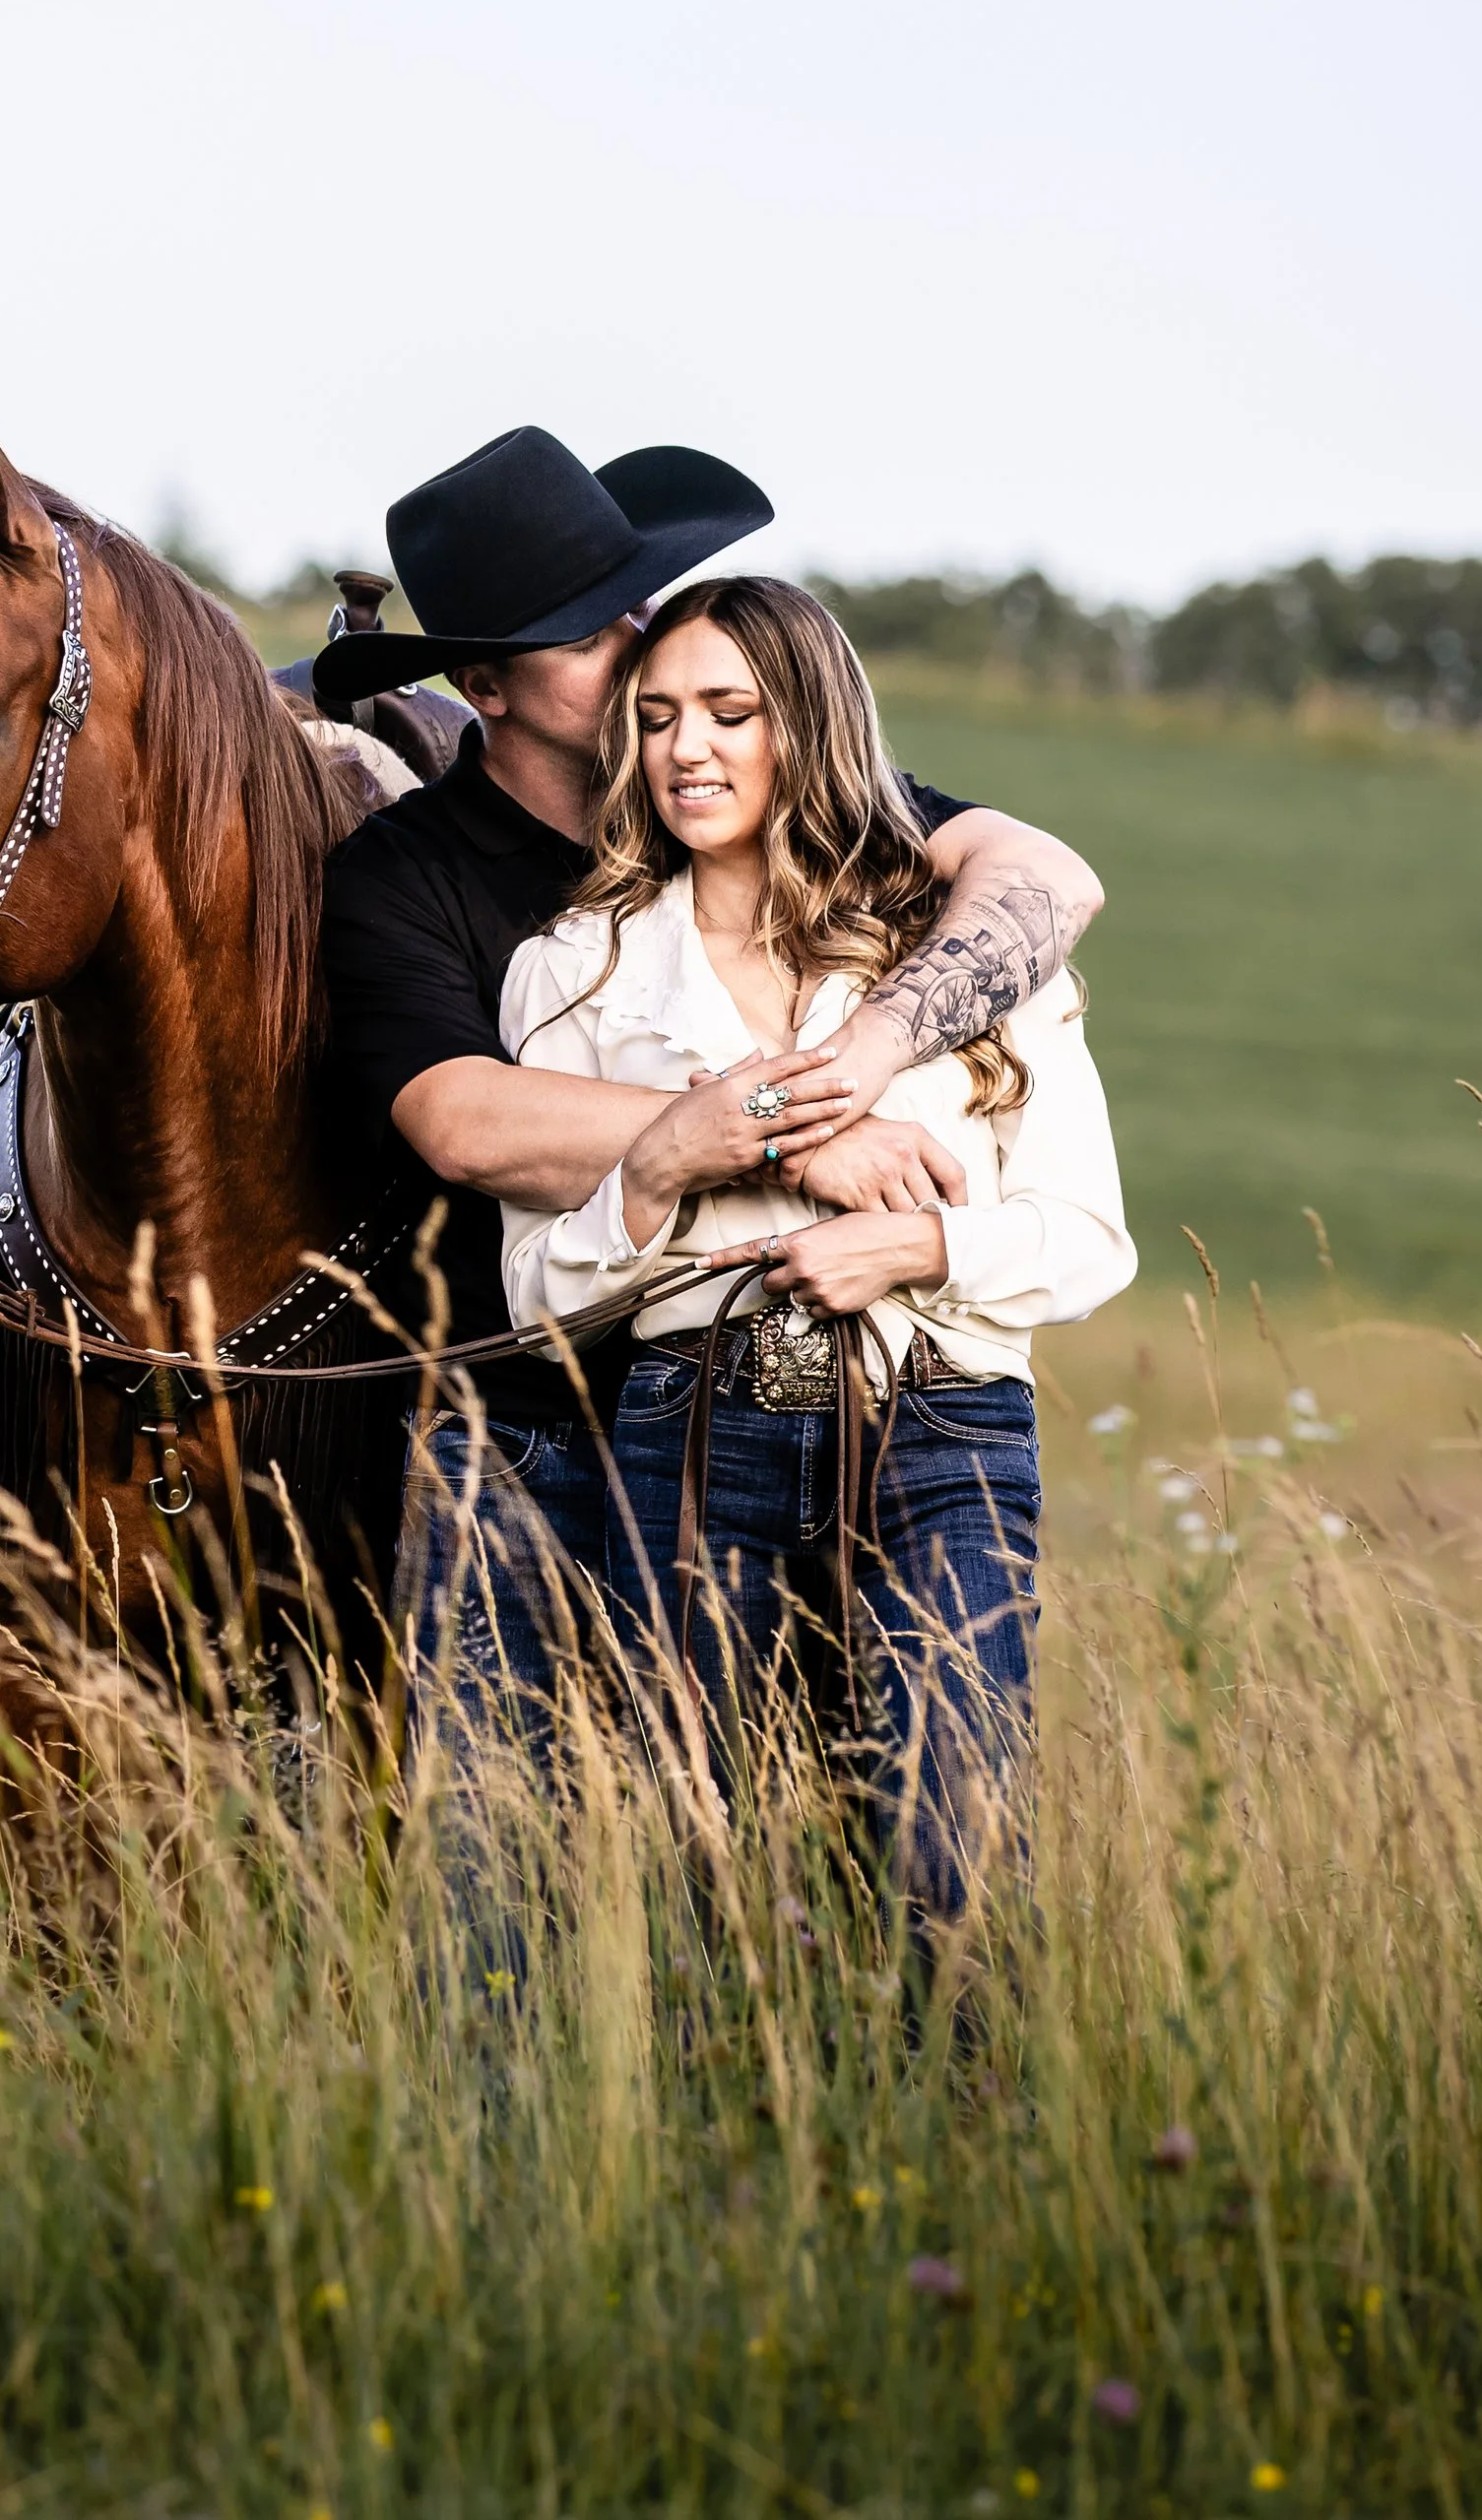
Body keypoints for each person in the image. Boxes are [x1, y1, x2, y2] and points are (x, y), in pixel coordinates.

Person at [314, 429, 1105, 1721]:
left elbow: (1047, 882)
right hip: (529, 1411)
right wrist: (792, 1135)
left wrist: (870, 1051)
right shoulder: (411, 873)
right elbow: (459, 1118)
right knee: (509, 1878)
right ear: (484, 685)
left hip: (780, 1400)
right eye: (587, 637)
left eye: (631, 608)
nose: (642, 651)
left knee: (850, 1826)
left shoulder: (765, 799)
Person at [498, 576, 1135, 1931]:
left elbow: (1088, 1240)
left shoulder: (963, 957)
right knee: (688, 1866)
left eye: (732, 713)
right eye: (659, 716)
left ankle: (943, 2135)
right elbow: (537, 1291)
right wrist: (666, 1158)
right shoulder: (576, 966)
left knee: (941, 1860)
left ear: (811, 726)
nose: (687, 750)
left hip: (940, 1433)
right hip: (685, 1430)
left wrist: (912, 1246)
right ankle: (705, 2133)